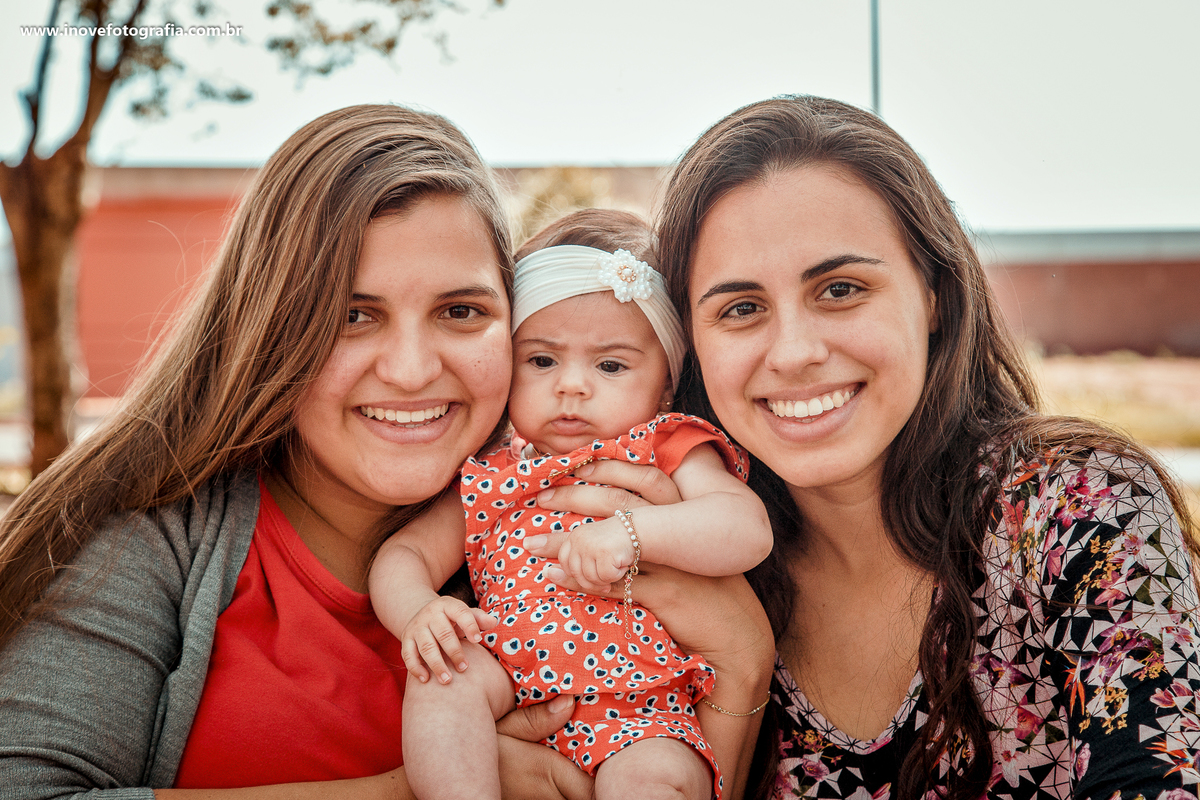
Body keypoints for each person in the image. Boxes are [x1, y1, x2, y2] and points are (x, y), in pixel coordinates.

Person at [0, 105, 773, 800]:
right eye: (353, 315)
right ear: (273, 329)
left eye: (460, 311)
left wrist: (743, 666)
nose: (410, 370)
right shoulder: (147, 545)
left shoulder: (603, 511)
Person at [654, 95, 1200, 800]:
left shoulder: (1081, 512)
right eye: (741, 308)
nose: (793, 352)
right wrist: (741, 667)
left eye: (840, 289)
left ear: (934, 293)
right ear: (690, 344)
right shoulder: (666, 564)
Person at [368, 209, 774, 800]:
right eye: (542, 360)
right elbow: (404, 554)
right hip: (507, 670)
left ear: (665, 383)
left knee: (652, 780)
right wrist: (418, 613)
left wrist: (632, 533)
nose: (571, 385)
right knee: (442, 680)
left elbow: (745, 527)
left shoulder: (665, 447)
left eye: (610, 365)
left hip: (640, 707)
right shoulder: (494, 473)